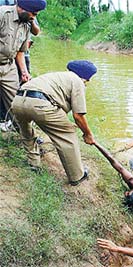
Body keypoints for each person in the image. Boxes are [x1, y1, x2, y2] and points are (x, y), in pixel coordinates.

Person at [11, 60, 97, 186]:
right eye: (89, 79)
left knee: (26, 132)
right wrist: (88, 134)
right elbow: (78, 116)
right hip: (39, 104)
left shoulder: (57, 76)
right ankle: (77, 176)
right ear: (85, 77)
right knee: (67, 134)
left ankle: (33, 163)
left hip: (18, 100)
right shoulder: (78, 81)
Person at [0, 0, 47, 130]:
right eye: (33, 13)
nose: (34, 17)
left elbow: (21, 52)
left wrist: (24, 72)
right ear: (22, 8)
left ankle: (22, 133)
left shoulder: (26, 24)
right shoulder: (2, 14)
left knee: (17, 103)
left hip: (8, 67)